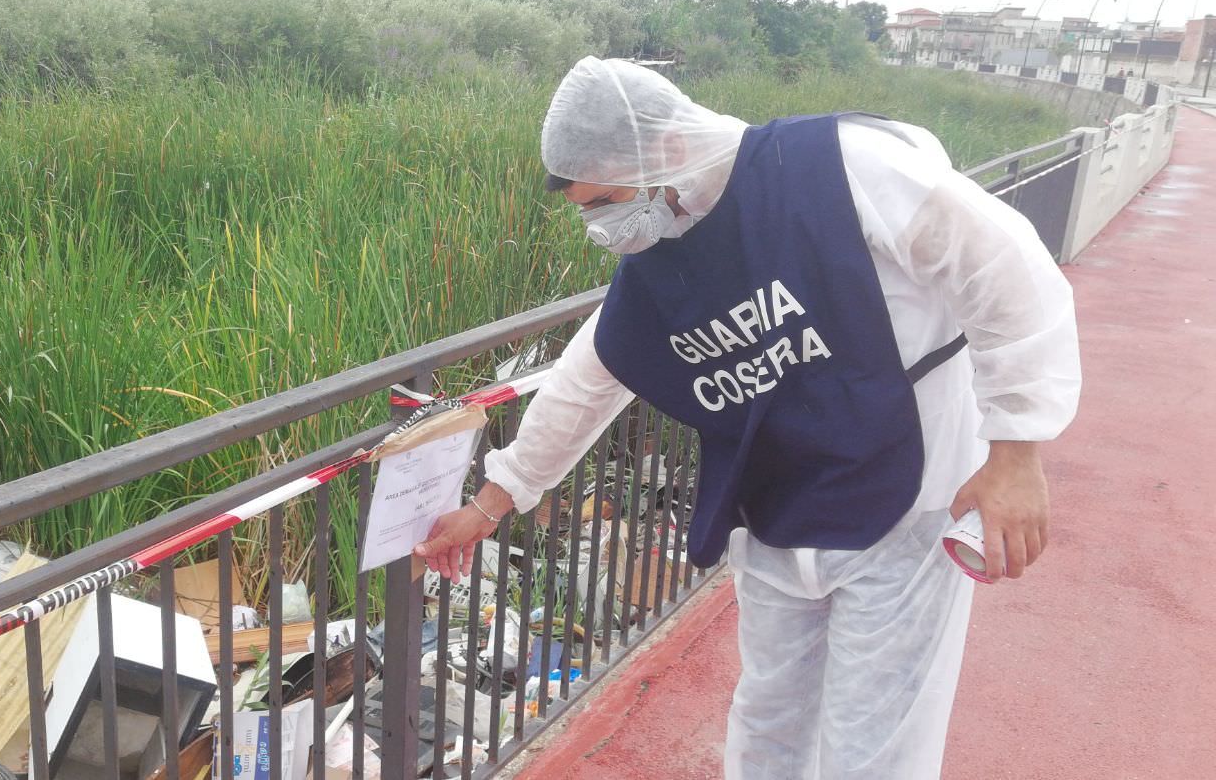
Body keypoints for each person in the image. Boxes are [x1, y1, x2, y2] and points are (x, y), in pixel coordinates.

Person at [413, 57, 1080, 779]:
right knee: (768, 721)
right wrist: (491, 502)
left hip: (905, 488)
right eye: (586, 209)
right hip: (776, 502)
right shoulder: (662, 254)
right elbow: (587, 380)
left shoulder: (838, 167)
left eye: (604, 199)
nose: (599, 225)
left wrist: (1016, 449)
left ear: (666, 149)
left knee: (875, 738)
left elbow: (1003, 266)